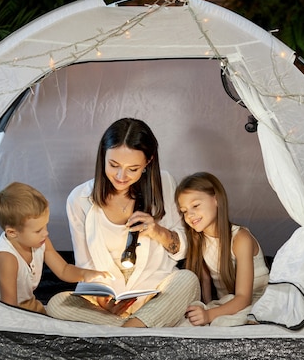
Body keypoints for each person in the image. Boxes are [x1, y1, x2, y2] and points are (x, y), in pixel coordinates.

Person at [46, 118, 200, 327]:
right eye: (114, 165)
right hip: (108, 304)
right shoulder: (79, 199)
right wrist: (103, 302)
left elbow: (181, 250)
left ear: (148, 162)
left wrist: (157, 231)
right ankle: (137, 328)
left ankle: (126, 330)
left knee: (187, 279)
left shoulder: (164, 183)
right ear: (103, 156)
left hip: (156, 293)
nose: (121, 176)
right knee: (57, 303)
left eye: (133, 169)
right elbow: (86, 266)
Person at [0, 182, 113, 315]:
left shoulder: (41, 241)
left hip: (28, 305)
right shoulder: (6, 258)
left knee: (67, 307)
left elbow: (64, 270)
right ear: (12, 233)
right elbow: (8, 308)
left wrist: (86, 274)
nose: (45, 233)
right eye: (38, 230)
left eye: (45, 226)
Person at [176, 172, 269, 326]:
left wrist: (209, 315)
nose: (190, 215)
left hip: (255, 301)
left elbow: (244, 298)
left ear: (216, 199)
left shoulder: (240, 238)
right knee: (189, 320)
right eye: (184, 211)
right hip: (226, 304)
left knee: (226, 320)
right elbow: (205, 283)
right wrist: (204, 313)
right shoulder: (199, 239)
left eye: (196, 205)